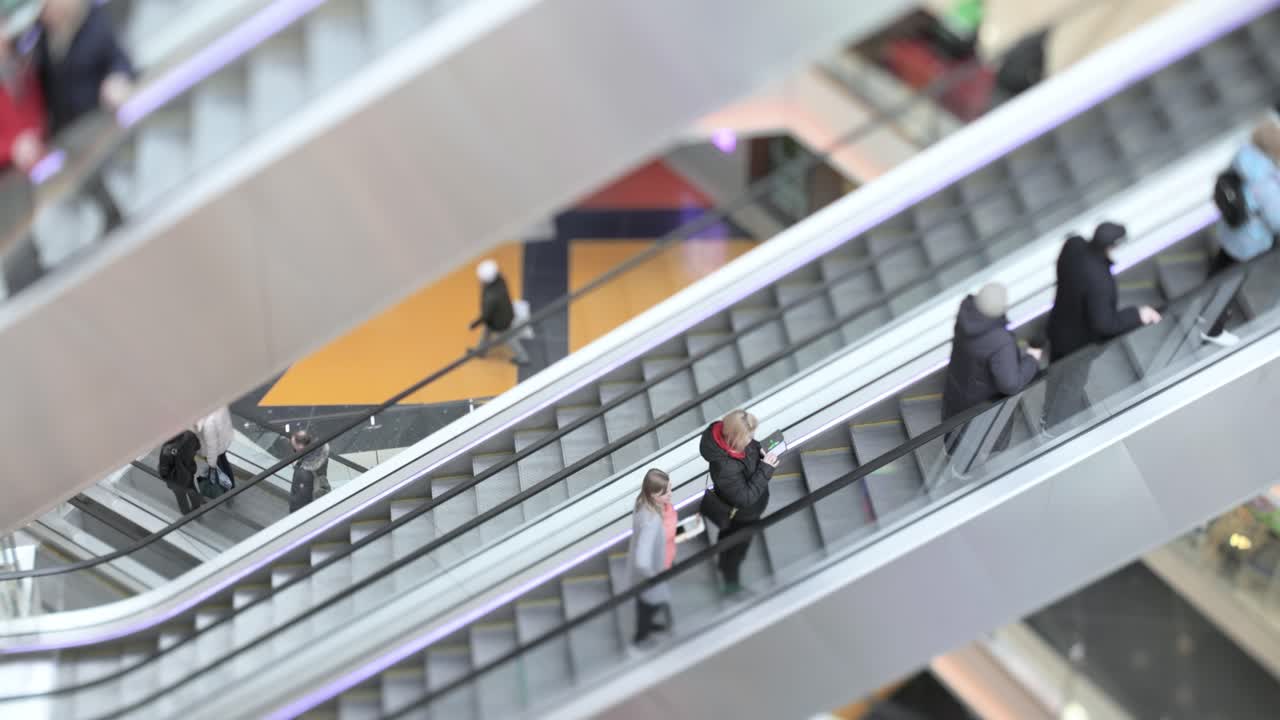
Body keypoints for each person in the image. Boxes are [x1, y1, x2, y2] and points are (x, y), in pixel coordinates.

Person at [1042, 225, 1161, 430]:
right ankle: (1053, 429)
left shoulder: (1073, 245)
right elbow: (1104, 324)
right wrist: (1137, 315)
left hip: (1058, 326)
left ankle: (1046, 413)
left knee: (1055, 373)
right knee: (1071, 385)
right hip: (1078, 345)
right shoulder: (1100, 281)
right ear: (1111, 246)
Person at [34, 0, 135, 231]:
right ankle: (110, 213)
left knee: (98, 170)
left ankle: (116, 213)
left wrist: (117, 79)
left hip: (95, 120)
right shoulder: (41, 39)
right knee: (83, 177)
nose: (48, 12)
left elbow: (118, 59)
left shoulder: (92, 23)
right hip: (66, 132)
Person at [1204, 115, 1280, 345]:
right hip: (1250, 240)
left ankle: (1203, 311)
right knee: (1233, 279)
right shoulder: (1264, 180)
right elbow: (1277, 220)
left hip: (1231, 230)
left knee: (1222, 266)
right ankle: (1212, 328)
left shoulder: (1243, 156)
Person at [699, 409, 778, 595]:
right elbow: (745, 497)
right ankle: (730, 584)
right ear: (736, 438)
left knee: (728, 536)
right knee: (737, 546)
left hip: (743, 510)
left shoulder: (734, 442)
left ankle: (724, 560)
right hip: (743, 514)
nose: (752, 439)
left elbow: (750, 451)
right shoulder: (724, 467)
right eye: (749, 436)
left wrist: (761, 451)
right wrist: (766, 468)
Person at [941, 282, 1041, 421]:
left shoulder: (965, 312)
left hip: (956, 390)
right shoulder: (1000, 342)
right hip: (982, 408)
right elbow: (1010, 384)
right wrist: (1032, 360)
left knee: (952, 429)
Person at [626, 469, 703, 645]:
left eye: (670, 488)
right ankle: (642, 635)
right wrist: (655, 577)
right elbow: (642, 560)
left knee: (650, 603)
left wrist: (687, 528)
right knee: (650, 604)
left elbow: (664, 534)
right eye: (665, 492)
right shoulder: (650, 521)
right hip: (653, 572)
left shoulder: (649, 504)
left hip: (662, 560)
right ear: (653, 494)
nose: (670, 494)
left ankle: (646, 626)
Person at [0, 18, 45, 173]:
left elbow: (39, 106)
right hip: (9, 174)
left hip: (41, 155)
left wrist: (34, 134)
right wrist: (13, 147)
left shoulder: (20, 64)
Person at [469, 259, 529, 365]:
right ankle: (481, 351)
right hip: (504, 314)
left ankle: (523, 358)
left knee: (509, 339)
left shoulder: (491, 297)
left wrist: (475, 324)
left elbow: (486, 315)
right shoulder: (500, 281)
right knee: (486, 333)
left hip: (499, 322)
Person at [158, 429, 202, 514]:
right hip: (189, 470)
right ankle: (197, 507)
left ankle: (186, 514)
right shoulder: (189, 435)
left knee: (181, 497)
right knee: (191, 489)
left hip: (175, 479)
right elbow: (197, 446)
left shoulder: (167, 449)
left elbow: (164, 470)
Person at [194, 406, 234, 489]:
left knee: (218, 467)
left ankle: (226, 489)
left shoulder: (208, 423)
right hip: (223, 440)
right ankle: (231, 486)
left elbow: (212, 447)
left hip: (215, 446)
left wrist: (212, 464)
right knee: (224, 463)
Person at [291, 429, 331, 501]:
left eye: (294, 448)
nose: (294, 451)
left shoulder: (302, 473)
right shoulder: (320, 451)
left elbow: (298, 501)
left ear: (301, 448)